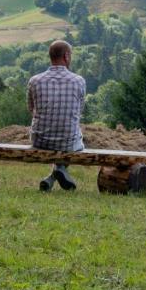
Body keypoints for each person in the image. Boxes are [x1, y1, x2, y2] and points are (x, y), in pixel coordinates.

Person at [27, 39, 86, 191]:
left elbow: (31, 110)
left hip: (40, 140)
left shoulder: (34, 81)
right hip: (68, 141)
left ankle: (51, 178)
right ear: (66, 56)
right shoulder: (79, 81)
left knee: (64, 138)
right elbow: (79, 112)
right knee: (73, 137)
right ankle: (58, 171)